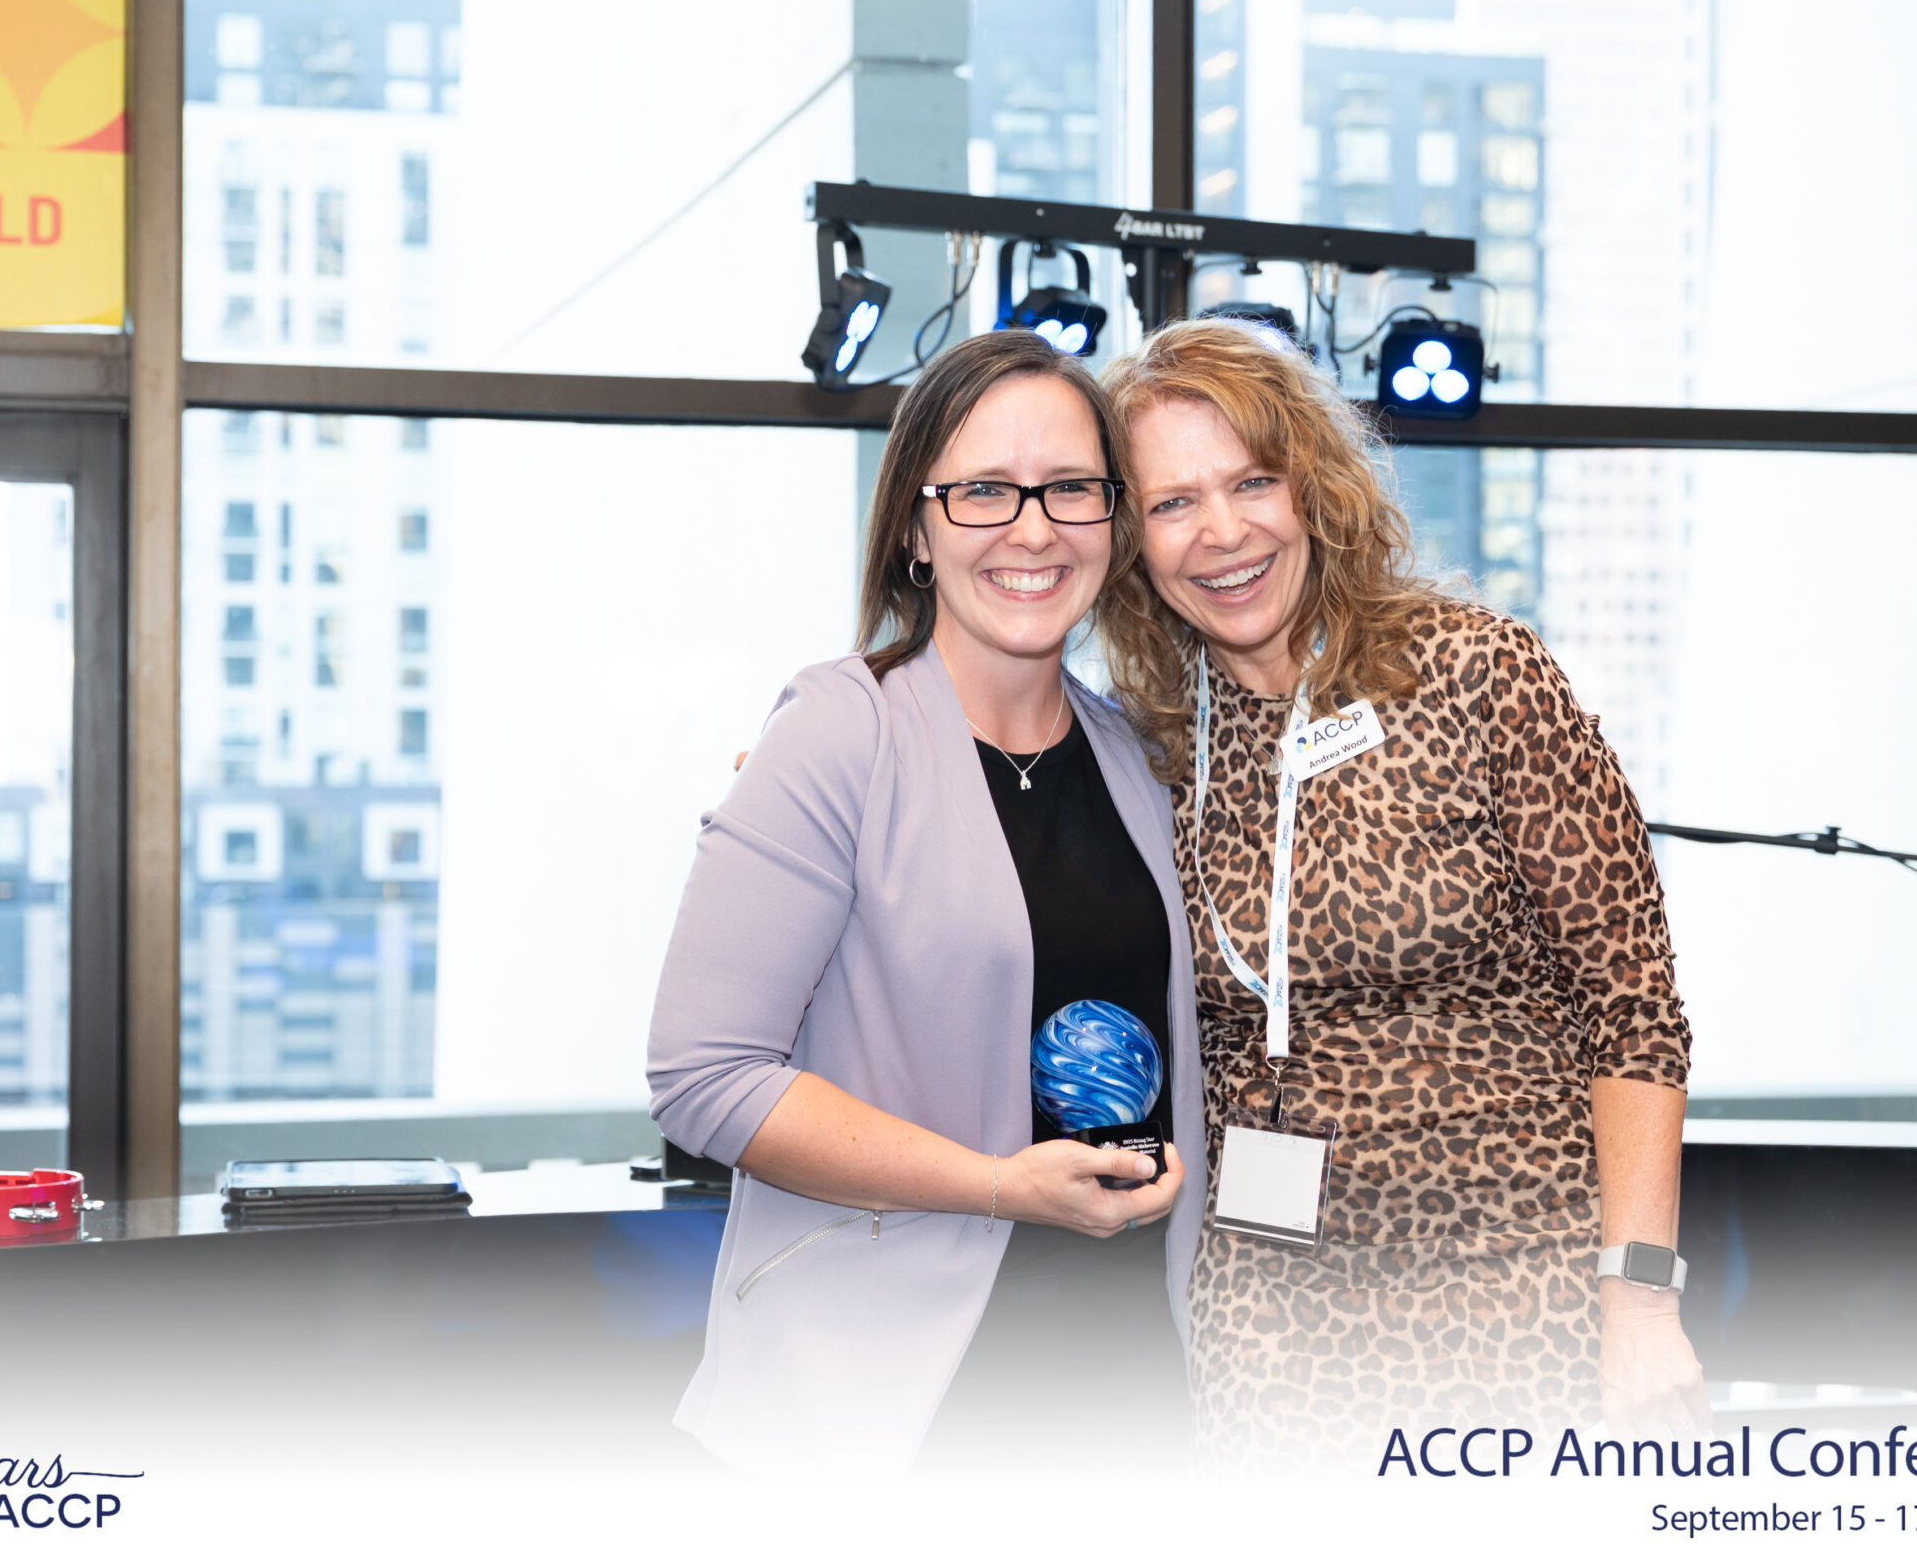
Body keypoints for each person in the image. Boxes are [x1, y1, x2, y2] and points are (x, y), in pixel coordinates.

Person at [1098, 317, 1706, 1469]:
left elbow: (1633, 1009)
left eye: (1251, 481)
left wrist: (1638, 1299)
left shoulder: (1479, 673)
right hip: (1268, 1319)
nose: (1221, 531)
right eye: (1173, 502)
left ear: (1312, 485)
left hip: (1517, 1295)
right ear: (1130, 538)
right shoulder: (1152, 742)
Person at [646, 330, 1205, 1476]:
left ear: (1112, 520)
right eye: (984, 490)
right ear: (914, 526)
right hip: (877, 1407)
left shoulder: (1140, 760)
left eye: (1070, 488)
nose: (1032, 529)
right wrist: (997, 1185)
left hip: (1124, 1385)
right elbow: (702, 1077)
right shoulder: (838, 733)